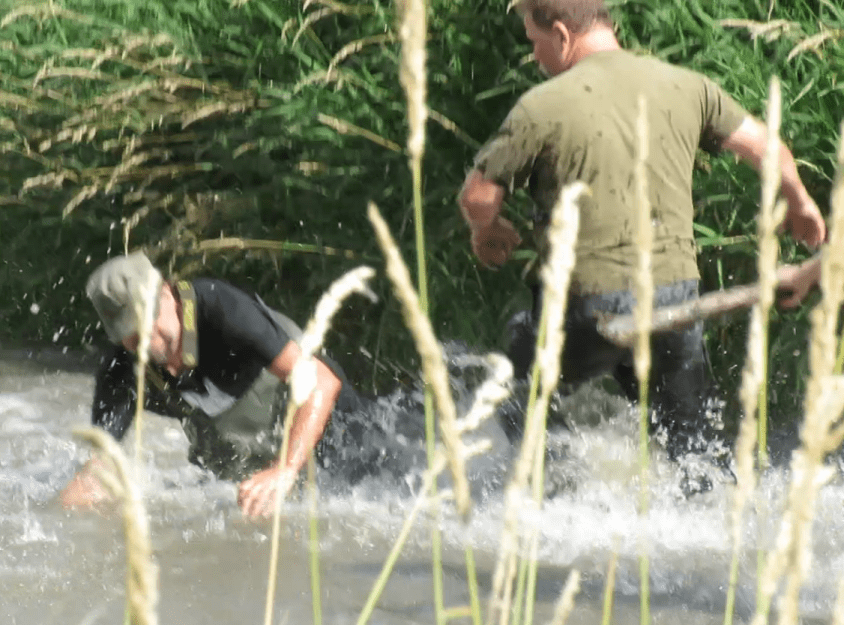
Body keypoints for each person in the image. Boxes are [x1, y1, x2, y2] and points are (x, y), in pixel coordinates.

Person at [458, 0, 826, 463]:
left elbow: (478, 197)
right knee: (694, 448)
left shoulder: (541, 106)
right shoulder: (686, 85)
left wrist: (484, 233)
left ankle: (554, 489)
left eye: (535, 42)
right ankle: (706, 500)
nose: (535, 57)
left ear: (561, 35)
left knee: (516, 369)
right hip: (675, 300)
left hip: (588, 308)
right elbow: (765, 146)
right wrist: (801, 203)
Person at [60, 251, 375, 518]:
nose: (148, 343)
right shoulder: (121, 371)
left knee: (367, 487)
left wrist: (285, 468)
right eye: (131, 335)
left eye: (149, 322)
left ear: (167, 293)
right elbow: (98, 468)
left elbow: (320, 382)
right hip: (249, 435)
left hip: (325, 412)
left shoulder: (223, 309)